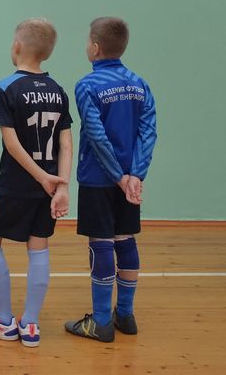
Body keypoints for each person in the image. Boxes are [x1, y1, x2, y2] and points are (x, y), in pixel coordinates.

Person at [0, 19, 72, 347]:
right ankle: (31, 325)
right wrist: (62, 185)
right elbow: (66, 144)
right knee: (38, 246)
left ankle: (3, 321)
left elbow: (12, 144)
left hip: (15, 184)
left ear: (16, 47)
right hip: (49, 187)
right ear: (47, 53)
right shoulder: (58, 90)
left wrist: (40, 176)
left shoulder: (5, 88)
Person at [65, 17, 157, 343]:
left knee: (101, 242)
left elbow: (96, 135)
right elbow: (148, 132)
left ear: (94, 47)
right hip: (129, 179)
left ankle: (101, 321)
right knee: (125, 238)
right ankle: (126, 315)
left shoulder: (87, 86)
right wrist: (136, 175)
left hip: (98, 178)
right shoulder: (139, 84)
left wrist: (118, 177)